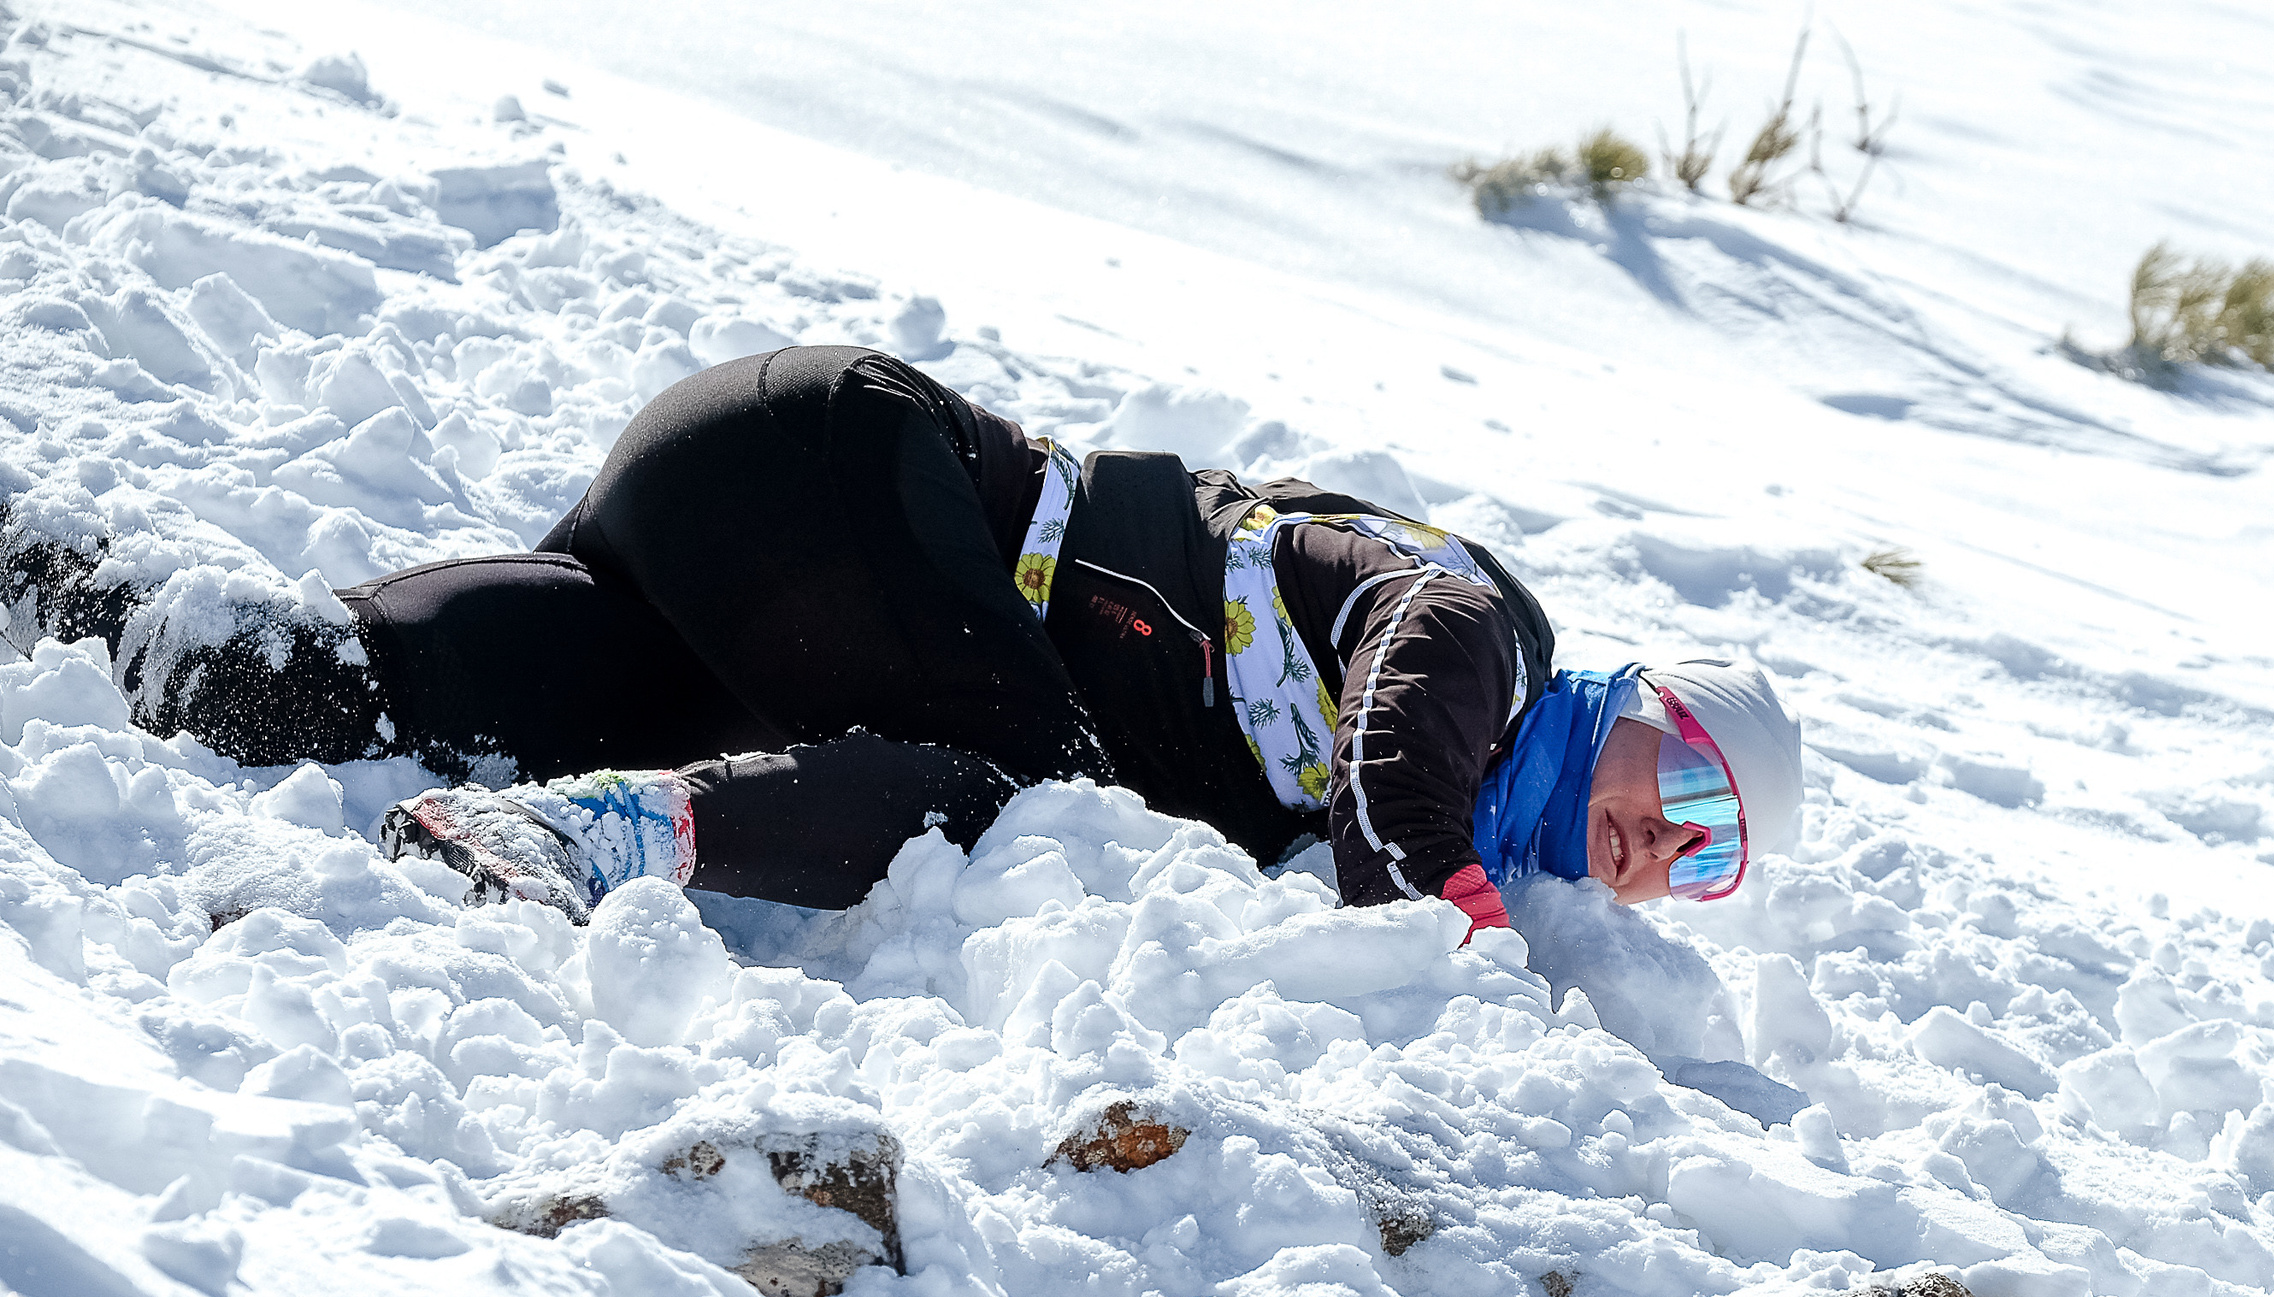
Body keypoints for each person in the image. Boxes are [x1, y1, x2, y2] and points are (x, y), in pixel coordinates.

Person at [124, 346, 1804, 935]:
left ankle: (92, 597)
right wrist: (1453, 902)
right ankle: (608, 839)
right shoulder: (1487, 639)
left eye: (1709, 862)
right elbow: (1406, 700)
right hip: (856, 474)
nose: (1669, 837)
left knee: (339, 692)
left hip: (762, 581)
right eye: (1693, 779)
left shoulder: (1393, 803)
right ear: (1639, 705)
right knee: (1020, 804)